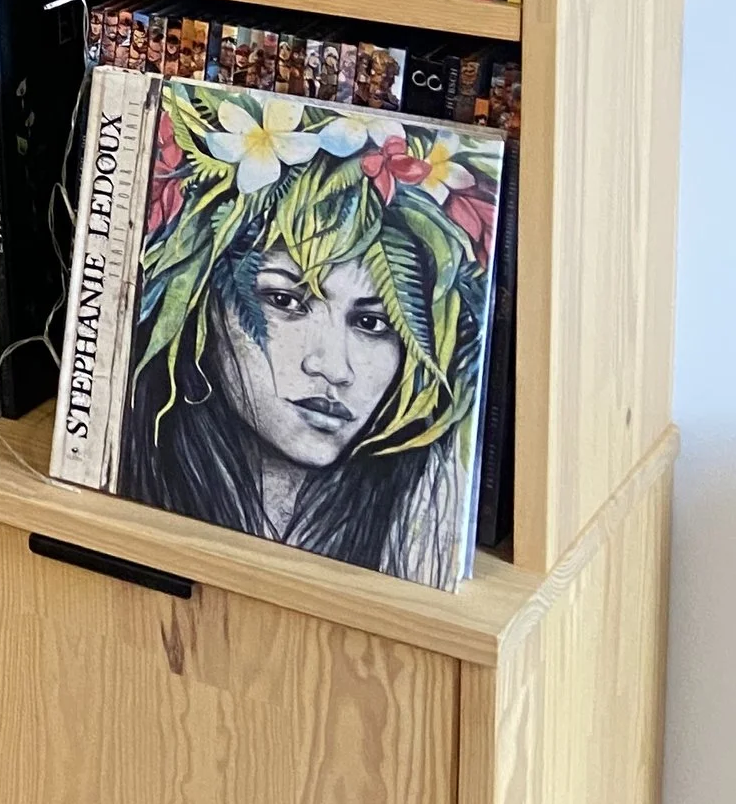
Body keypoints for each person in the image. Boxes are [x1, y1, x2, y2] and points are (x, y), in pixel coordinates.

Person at [116, 90, 503, 585]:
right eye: (285, 302)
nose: (333, 367)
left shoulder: (413, 532)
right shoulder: (139, 473)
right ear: (201, 304)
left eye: (372, 323)